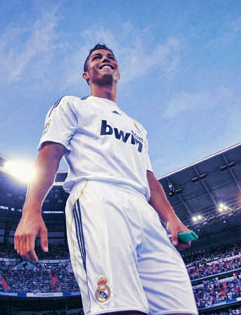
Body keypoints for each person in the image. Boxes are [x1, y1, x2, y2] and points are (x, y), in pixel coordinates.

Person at [14, 44, 198, 315]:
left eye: (110, 57)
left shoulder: (137, 127)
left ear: (119, 72)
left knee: (180, 309)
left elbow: (148, 178)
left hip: (143, 210)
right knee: (121, 308)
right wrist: (31, 210)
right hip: (98, 199)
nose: (105, 60)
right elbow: (49, 155)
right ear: (86, 75)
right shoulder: (72, 106)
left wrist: (171, 219)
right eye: (97, 58)